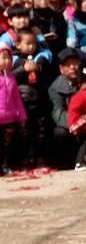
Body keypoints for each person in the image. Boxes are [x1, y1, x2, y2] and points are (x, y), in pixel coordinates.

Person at [12, 29, 50, 166]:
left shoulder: (40, 58)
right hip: (22, 102)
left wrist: (38, 69)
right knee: (23, 133)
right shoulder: (15, 60)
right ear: (18, 44)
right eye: (27, 43)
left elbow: (47, 75)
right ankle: (25, 158)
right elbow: (11, 79)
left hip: (38, 100)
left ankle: (40, 157)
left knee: (40, 131)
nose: (31, 47)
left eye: (33, 43)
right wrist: (23, 69)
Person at [0, 43, 26, 175]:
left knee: (6, 145)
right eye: (2, 57)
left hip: (8, 119)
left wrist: (21, 117)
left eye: (8, 58)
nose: (6, 61)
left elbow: (17, 99)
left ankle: (5, 165)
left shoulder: (11, 78)